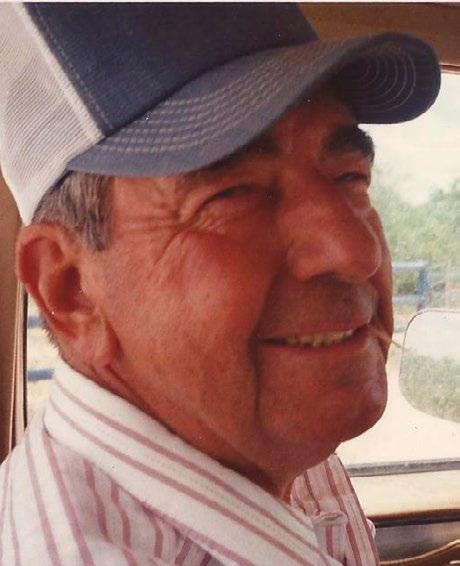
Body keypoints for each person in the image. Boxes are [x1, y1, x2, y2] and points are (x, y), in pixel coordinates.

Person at [0, 4, 440, 565]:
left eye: (349, 177)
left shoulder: (256, 430)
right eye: (234, 194)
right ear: (70, 290)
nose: (357, 251)